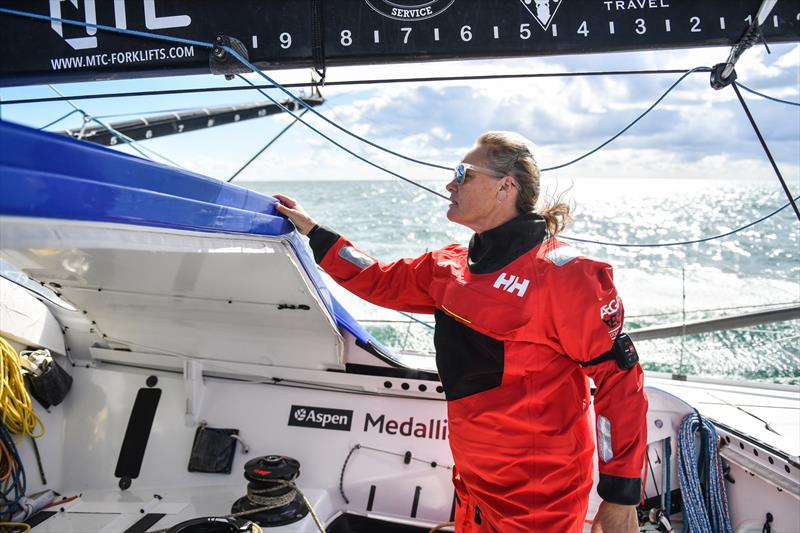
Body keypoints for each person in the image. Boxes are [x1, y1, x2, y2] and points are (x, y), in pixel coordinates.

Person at [274, 131, 648, 532]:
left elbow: (620, 381)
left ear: (506, 187)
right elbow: (379, 279)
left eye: (463, 173)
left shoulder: (566, 277)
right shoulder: (448, 266)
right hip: (473, 486)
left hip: (539, 497)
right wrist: (315, 232)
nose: (450, 184)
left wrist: (620, 496)